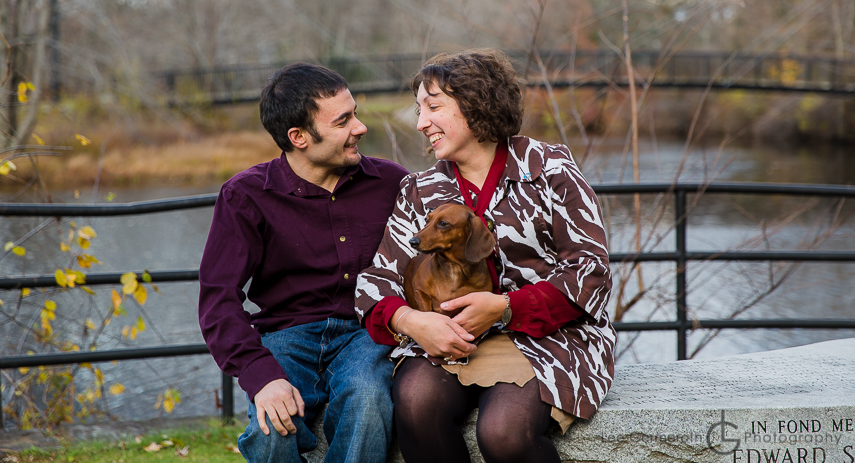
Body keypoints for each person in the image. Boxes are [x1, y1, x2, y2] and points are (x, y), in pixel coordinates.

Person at [355, 48, 615, 463]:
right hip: (447, 340)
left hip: (550, 337)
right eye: (418, 109)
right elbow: (375, 283)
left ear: (476, 105)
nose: (422, 123)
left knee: (503, 433)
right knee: (416, 403)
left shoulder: (550, 169)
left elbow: (590, 274)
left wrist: (506, 307)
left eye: (433, 107)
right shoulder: (419, 190)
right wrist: (413, 321)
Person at [198, 62, 408, 463]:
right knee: (271, 429)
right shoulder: (246, 196)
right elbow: (218, 300)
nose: (360, 128)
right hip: (287, 335)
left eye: (355, 113)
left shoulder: (391, 183)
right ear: (299, 137)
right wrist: (260, 375)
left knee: (366, 399)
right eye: (343, 121)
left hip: (367, 331)